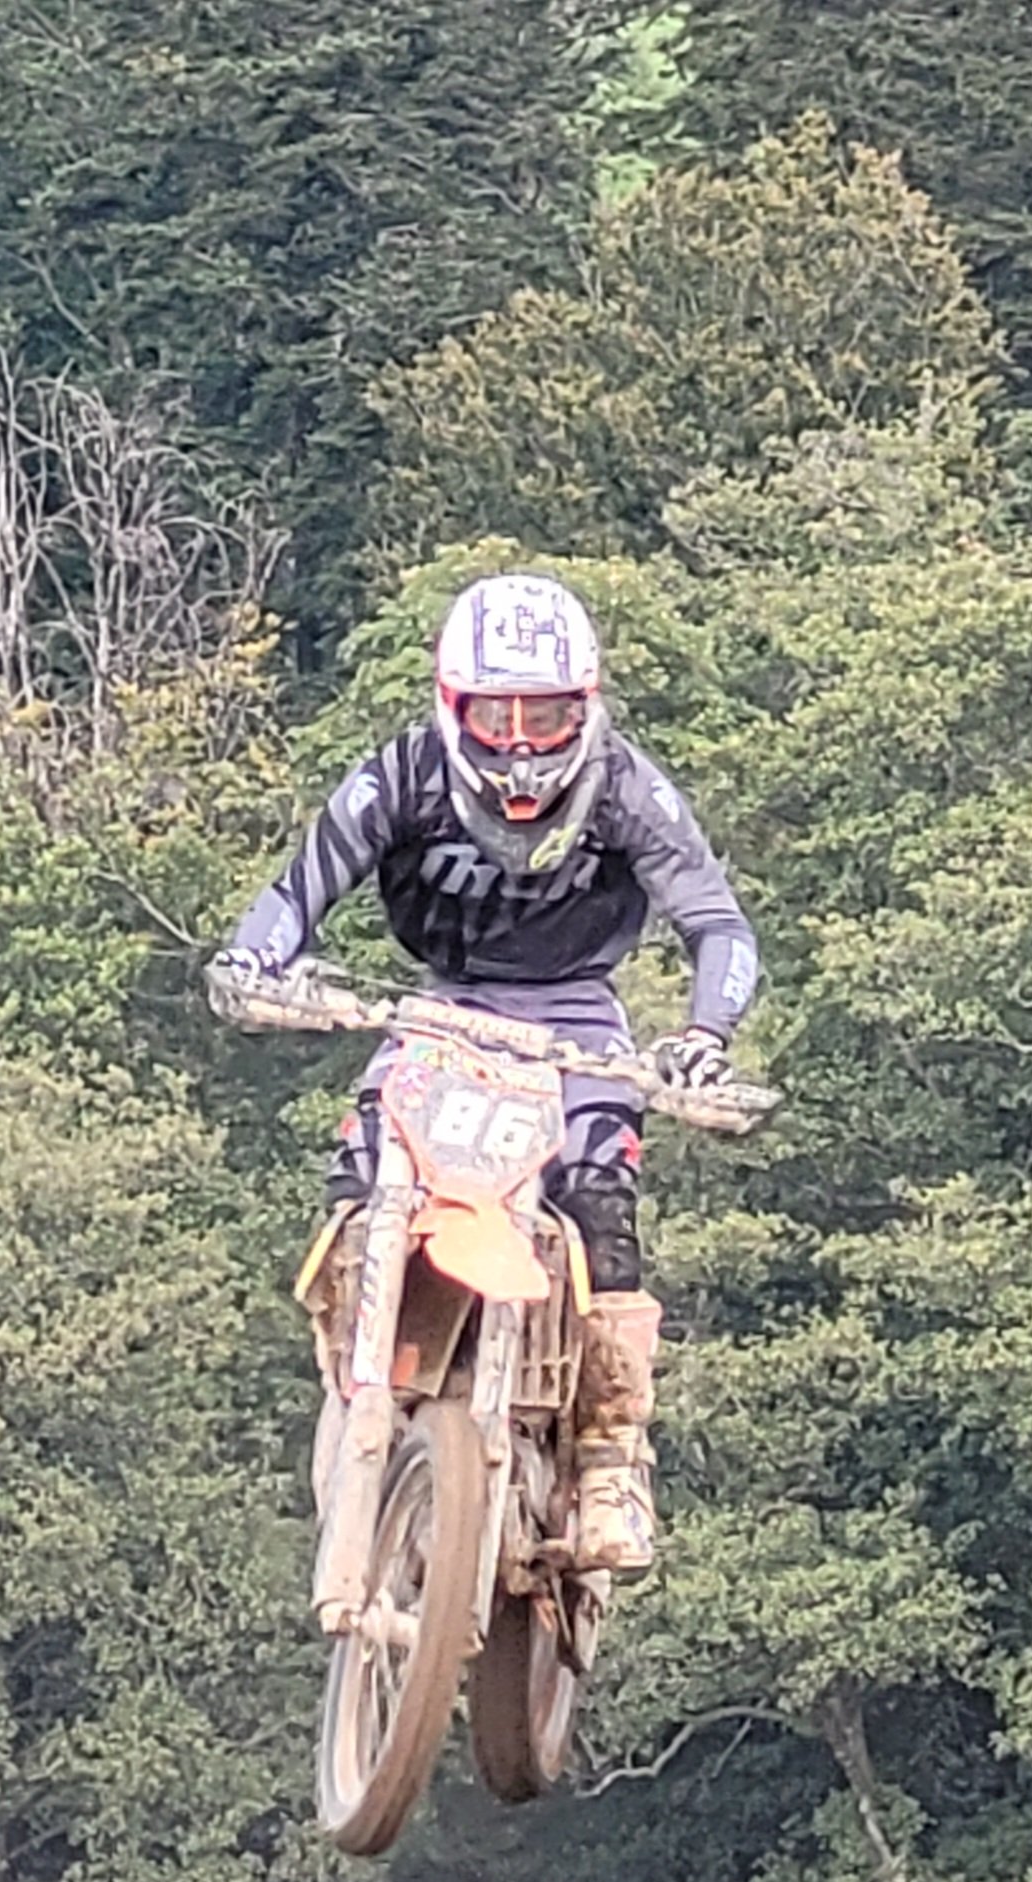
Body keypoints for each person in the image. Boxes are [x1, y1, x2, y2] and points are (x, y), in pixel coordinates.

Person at [218, 571, 758, 1575]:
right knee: (359, 1175)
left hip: (578, 1024)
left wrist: (703, 1034)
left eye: (543, 716)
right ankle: (359, 1368)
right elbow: (299, 887)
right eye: (495, 715)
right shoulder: (402, 775)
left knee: (598, 1196)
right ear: (451, 703)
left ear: (584, 708)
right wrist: (254, 960)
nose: (517, 744)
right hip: (440, 1014)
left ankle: (610, 1455)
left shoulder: (629, 788)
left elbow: (719, 924)